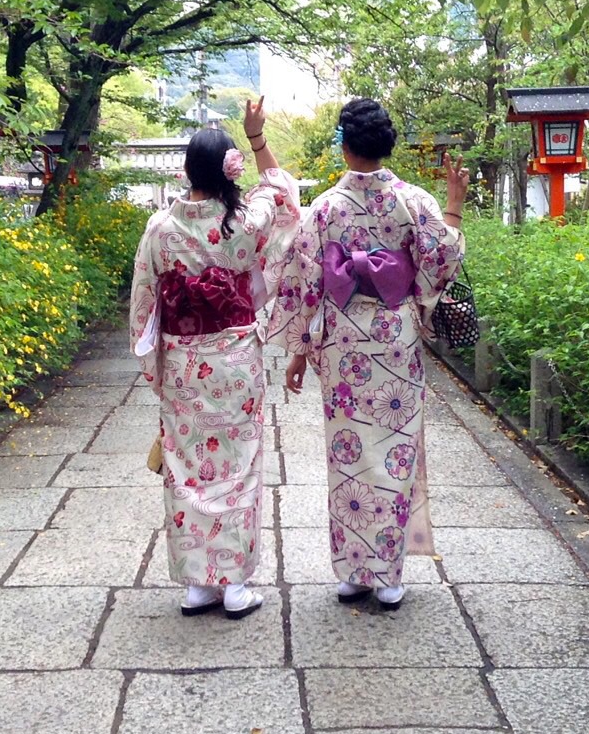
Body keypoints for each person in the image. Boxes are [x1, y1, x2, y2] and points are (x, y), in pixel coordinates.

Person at [268, 97, 468, 609]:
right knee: (393, 449)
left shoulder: (325, 209)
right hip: (394, 338)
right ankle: (388, 575)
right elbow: (440, 255)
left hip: (342, 341)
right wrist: (455, 202)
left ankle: (355, 572)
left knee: (349, 453)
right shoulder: (414, 201)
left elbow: (303, 282)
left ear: (345, 145)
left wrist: (297, 349)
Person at [130, 98, 300, 619]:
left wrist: (153, 366)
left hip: (184, 365)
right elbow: (283, 193)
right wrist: (256, 138)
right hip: (235, 363)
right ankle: (234, 587)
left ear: (186, 172)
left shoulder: (160, 228)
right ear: (230, 169)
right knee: (239, 468)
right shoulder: (243, 224)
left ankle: (198, 586)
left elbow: (144, 303)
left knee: (186, 469)